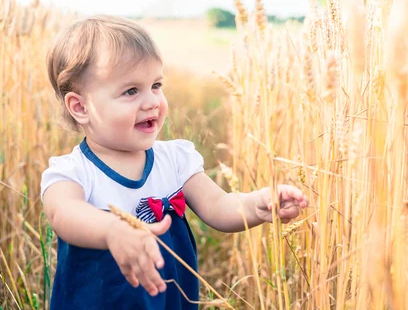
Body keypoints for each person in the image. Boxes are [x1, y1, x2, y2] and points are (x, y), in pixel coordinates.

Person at [41, 15, 309, 309]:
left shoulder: (175, 160)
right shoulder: (73, 173)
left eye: (156, 85)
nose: (152, 101)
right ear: (80, 107)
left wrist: (256, 205)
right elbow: (64, 215)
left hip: (169, 300)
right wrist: (111, 230)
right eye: (131, 91)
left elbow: (218, 206)